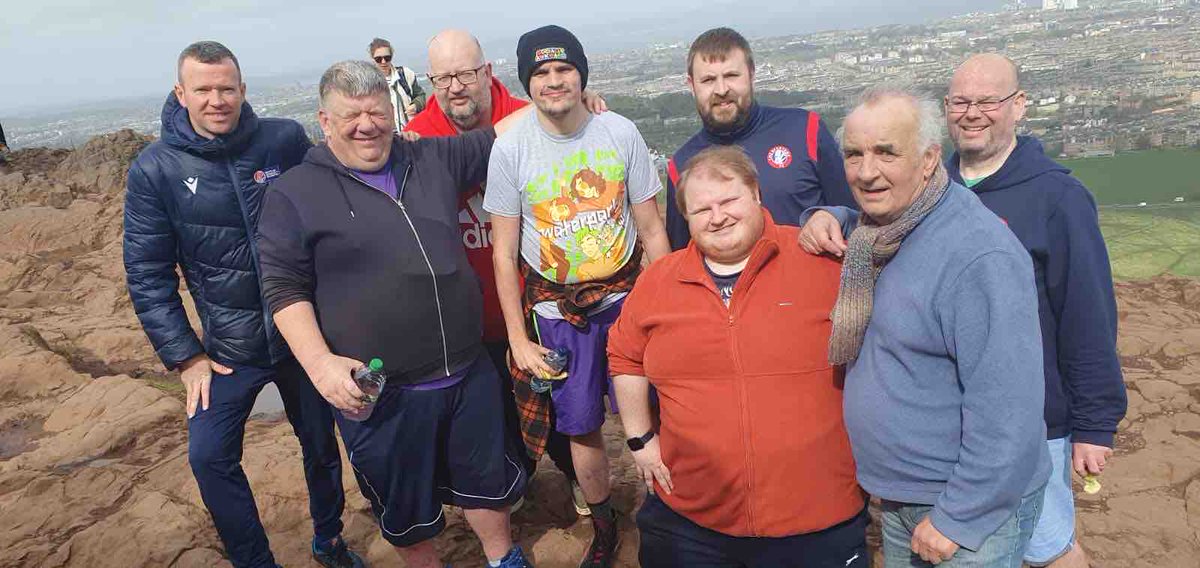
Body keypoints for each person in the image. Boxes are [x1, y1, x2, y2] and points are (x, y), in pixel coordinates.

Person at [800, 56, 1129, 568]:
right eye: (854, 154)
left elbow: (1009, 407)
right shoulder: (884, 232)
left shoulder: (981, 251)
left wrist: (960, 515)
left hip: (959, 505)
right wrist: (827, 214)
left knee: (1055, 550)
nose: (867, 171)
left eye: (887, 152)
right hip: (906, 495)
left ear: (929, 160)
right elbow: (873, 211)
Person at [256, 59, 531, 568]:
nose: (367, 125)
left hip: (467, 374)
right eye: (352, 115)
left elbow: (501, 131)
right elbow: (283, 288)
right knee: (405, 506)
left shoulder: (429, 158)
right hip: (383, 395)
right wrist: (319, 364)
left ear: (393, 110)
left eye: (377, 111)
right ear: (324, 121)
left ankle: (502, 558)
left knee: (487, 485)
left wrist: (578, 105)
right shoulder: (294, 193)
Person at [122, 41, 363, 568]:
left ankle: (328, 538)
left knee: (321, 445)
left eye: (226, 88)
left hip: (304, 337)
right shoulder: (155, 169)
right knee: (208, 456)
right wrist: (185, 358)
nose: (217, 99)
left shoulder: (281, 140)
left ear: (242, 90)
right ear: (181, 93)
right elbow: (146, 272)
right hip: (230, 348)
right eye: (203, 89)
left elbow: (340, 181)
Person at [607, 145, 868, 567]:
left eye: (729, 200)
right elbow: (624, 355)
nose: (718, 216)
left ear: (757, 195)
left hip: (816, 517)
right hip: (692, 517)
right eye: (701, 209)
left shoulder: (822, 263)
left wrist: (836, 215)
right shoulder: (660, 281)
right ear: (686, 219)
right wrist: (640, 440)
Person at [484, 24, 671, 568]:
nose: (553, 81)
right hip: (558, 309)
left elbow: (653, 229)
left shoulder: (619, 132)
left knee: (656, 409)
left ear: (581, 74)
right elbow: (503, 253)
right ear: (527, 83)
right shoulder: (511, 149)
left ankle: (666, 508)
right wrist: (518, 339)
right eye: (540, 73)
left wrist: (667, 307)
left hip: (628, 296)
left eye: (563, 69)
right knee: (581, 424)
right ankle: (605, 524)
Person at [403, 29, 603, 517]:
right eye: (443, 77)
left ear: (486, 72)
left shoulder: (529, 110)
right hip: (471, 313)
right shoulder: (420, 137)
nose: (455, 87)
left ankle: (578, 477)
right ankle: (516, 480)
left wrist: (582, 106)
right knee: (496, 411)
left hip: (542, 298)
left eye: (465, 74)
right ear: (431, 82)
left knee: (562, 403)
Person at [944, 54, 1125, 568]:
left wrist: (1094, 424)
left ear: (1018, 106)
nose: (972, 113)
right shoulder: (930, 188)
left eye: (987, 101)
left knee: (1048, 548)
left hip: (1033, 421)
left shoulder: (1058, 197)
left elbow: (1087, 315)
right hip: (949, 416)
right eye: (960, 101)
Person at [663, 27, 855, 250]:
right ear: (691, 86)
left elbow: (854, 215)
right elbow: (682, 254)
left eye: (731, 75)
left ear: (751, 74)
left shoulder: (804, 130)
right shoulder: (681, 165)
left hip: (814, 279)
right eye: (708, 80)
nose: (722, 89)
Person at [369, 37, 427, 131]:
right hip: (384, 137)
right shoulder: (368, 83)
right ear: (373, 60)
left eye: (387, 58)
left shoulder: (405, 75)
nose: (383, 62)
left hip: (410, 133)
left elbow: (421, 95)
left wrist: (416, 105)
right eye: (378, 59)